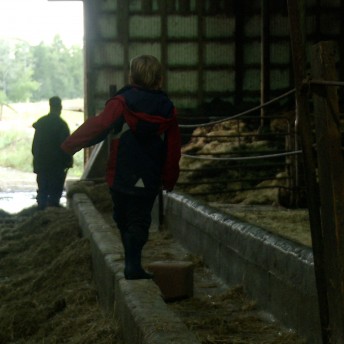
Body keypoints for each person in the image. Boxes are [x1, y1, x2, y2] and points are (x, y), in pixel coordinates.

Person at [61, 55, 181, 280]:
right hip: (149, 173)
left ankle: (132, 265)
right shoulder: (167, 109)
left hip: (120, 172)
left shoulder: (122, 102)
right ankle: (132, 263)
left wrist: (69, 145)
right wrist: (169, 178)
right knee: (140, 218)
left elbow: (99, 126)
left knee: (122, 216)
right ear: (158, 78)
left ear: (132, 75)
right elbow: (173, 148)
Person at [32, 96, 73, 210]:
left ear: (50, 106)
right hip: (57, 165)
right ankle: (53, 213)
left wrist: (37, 161)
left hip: (42, 163)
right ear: (60, 107)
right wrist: (68, 161)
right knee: (55, 191)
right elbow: (66, 146)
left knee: (43, 190)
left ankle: (41, 213)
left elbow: (35, 146)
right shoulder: (62, 125)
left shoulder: (41, 123)